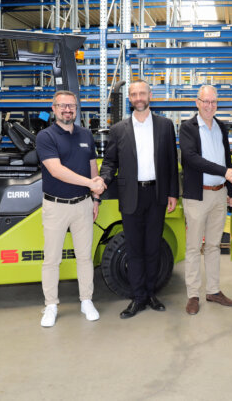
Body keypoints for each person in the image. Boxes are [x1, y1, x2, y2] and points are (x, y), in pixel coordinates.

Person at [98, 80, 179, 319]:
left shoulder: (165, 126)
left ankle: (151, 294)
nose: (138, 98)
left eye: (142, 93)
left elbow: (171, 161)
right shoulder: (118, 129)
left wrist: (173, 193)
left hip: (157, 194)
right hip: (131, 195)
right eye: (134, 94)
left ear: (149, 95)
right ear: (130, 98)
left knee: (153, 247)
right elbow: (110, 161)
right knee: (134, 249)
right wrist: (103, 180)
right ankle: (138, 297)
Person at [36, 90, 105, 328]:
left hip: (83, 205)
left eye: (71, 106)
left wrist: (96, 198)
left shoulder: (85, 134)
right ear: (54, 109)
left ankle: (86, 300)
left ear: (76, 109)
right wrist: (90, 184)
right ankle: (51, 305)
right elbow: (56, 171)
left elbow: (92, 166)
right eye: (63, 106)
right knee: (51, 259)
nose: (67, 110)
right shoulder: (46, 136)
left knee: (84, 257)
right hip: (56, 206)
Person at [179, 85, 232, 315]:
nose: (209, 106)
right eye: (205, 101)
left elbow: (227, 158)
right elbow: (191, 158)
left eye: (213, 102)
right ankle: (193, 294)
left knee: (214, 245)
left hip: (219, 193)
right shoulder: (188, 127)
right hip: (198, 195)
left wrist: (231, 190)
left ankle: (213, 290)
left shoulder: (221, 127)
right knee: (194, 247)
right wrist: (224, 172)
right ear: (197, 102)